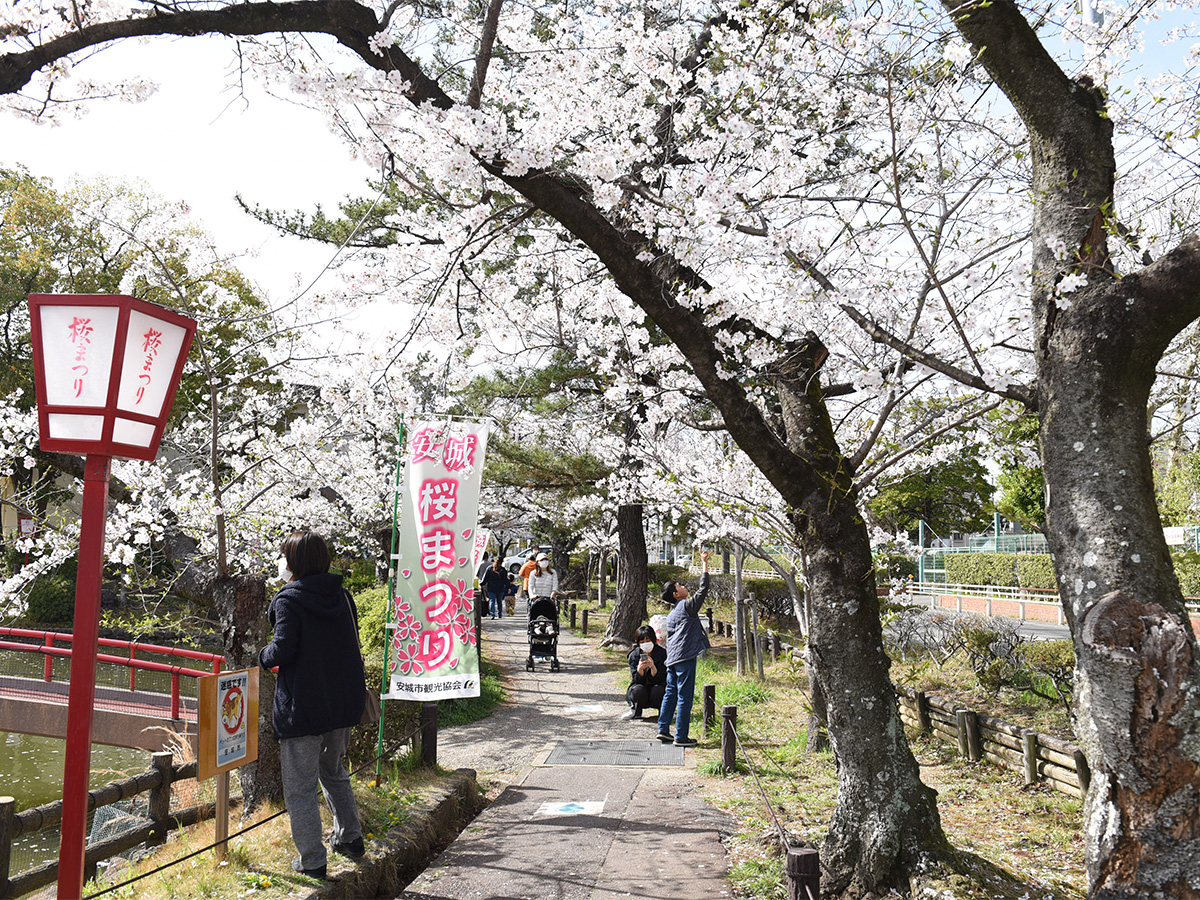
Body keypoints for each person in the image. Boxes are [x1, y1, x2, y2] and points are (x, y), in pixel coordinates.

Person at [259, 529, 367, 881]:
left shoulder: (289, 600)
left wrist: (262, 656)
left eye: (285, 557)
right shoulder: (343, 595)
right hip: (341, 705)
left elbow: (283, 650)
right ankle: (350, 839)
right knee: (333, 770)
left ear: (294, 562)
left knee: (300, 787)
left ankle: (312, 860)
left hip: (303, 709)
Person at [657, 549, 710, 748]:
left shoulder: (672, 613)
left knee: (670, 693)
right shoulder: (687, 606)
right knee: (684, 695)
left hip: (672, 658)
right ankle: (681, 736)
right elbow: (703, 589)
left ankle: (663, 729)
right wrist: (704, 563)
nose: (683, 586)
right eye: (679, 585)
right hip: (685, 657)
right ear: (675, 593)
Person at [624, 624, 667, 720]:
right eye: (642, 641)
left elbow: (662, 678)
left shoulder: (662, 654)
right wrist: (640, 670)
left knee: (659, 689)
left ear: (653, 640)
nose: (645, 644)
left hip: (656, 691)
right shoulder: (634, 655)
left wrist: (653, 667)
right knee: (637, 689)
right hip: (641, 691)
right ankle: (635, 711)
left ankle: (665, 712)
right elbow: (636, 680)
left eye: (648, 641)